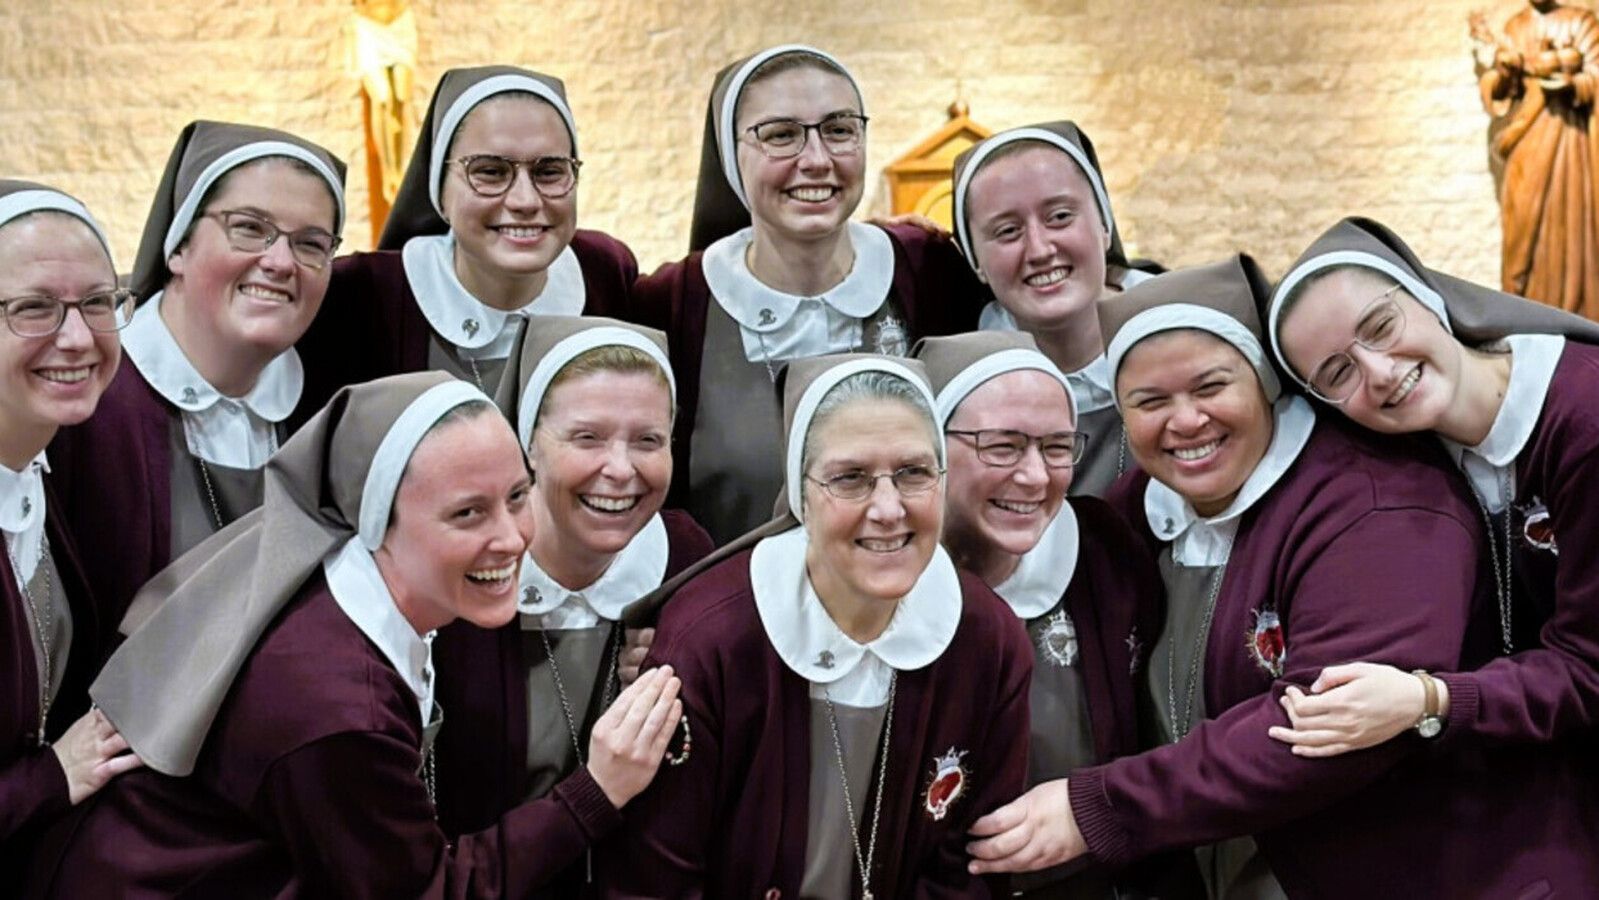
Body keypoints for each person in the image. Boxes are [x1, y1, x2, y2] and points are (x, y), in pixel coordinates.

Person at [964, 256, 1599, 897]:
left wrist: (1099, 808)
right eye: (1150, 401)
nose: (1186, 421)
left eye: (1211, 387)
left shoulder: (1376, 505)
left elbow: (1323, 731)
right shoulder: (1140, 511)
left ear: (1265, 382)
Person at [27, 372, 685, 898]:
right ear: (376, 521)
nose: (512, 538)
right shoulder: (339, 708)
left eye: (517, 496)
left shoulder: (336, 582)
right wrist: (597, 791)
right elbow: (428, 890)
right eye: (467, 513)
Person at [600, 354, 1032, 898]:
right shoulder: (711, 640)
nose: (888, 509)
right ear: (801, 494)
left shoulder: (989, 640)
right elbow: (656, 879)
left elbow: (970, 871)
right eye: (850, 478)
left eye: (914, 473)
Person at [1262, 216, 1599, 759]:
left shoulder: (1586, 419)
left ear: (1426, 296)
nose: (1379, 372)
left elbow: (1590, 671)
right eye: (1338, 373)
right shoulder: (1411, 454)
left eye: (1380, 327)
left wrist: (1429, 699)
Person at [634, 44, 984, 544]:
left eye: (839, 130)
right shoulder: (670, 303)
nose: (817, 160)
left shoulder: (930, 270)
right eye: (781, 135)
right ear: (731, 154)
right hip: (731, 592)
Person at [430, 317, 713, 880]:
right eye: (587, 438)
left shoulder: (688, 559)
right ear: (528, 444)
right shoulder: (460, 575)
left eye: (648, 440)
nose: (621, 469)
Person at [47, 121, 347, 622]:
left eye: (311, 244)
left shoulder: (328, 404)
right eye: (249, 227)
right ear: (178, 246)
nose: (280, 261)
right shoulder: (88, 400)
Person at [915, 331, 1160, 899]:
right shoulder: (874, 581)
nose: (1034, 476)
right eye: (1002, 446)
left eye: (1056, 447)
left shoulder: (1105, 553)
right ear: (928, 448)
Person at [298, 64, 638, 415]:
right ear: (439, 190)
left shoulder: (606, 275)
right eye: (490, 172)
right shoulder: (359, 296)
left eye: (549, 172)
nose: (525, 201)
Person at [0, 181, 142, 881]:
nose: (79, 337)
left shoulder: (50, 462)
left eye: (98, 302)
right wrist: (50, 776)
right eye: (34, 308)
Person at [951, 121, 1155, 496]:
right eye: (1007, 231)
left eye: (1060, 217)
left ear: (1105, 226)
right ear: (975, 260)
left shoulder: (1187, 336)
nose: (1040, 250)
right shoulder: (958, 383)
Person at [1471, 0, 1599, 319]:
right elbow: (1499, 90)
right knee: (1521, 234)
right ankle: (1528, 317)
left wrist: (1573, 83)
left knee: (1573, 229)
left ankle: (1582, 317)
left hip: (1572, 144)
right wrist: (1504, 72)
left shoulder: (1583, 23)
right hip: (1526, 143)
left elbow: (1596, 76)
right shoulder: (1515, 27)